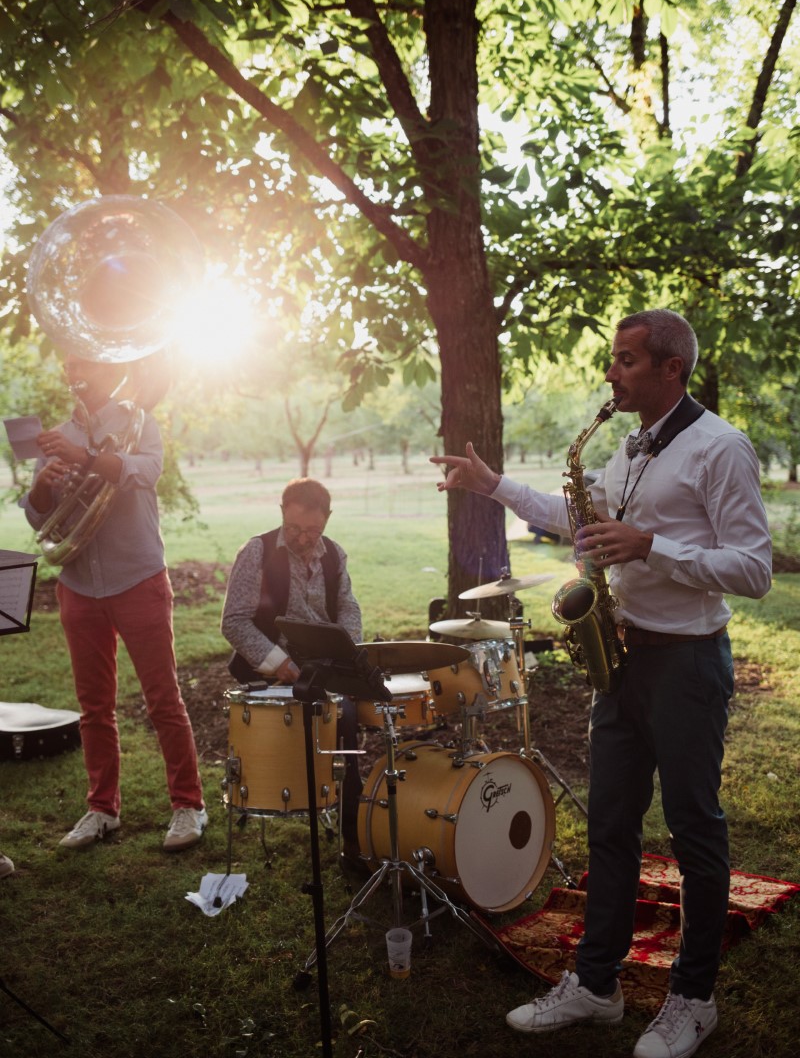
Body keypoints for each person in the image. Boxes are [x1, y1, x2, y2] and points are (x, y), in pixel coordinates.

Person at [430, 309, 772, 1058]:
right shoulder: (628, 447)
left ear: (670, 368)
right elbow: (576, 515)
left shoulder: (722, 447)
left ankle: (693, 997)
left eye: (624, 360)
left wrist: (652, 546)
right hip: (620, 661)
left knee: (694, 832)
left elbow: (754, 568)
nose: (610, 372)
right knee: (611, 827)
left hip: (687, 663)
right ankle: (597, 985)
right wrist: (494, 485)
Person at [20, 355, 207, 853]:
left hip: (137, 578)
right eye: (67, 363)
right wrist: (42, 485)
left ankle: (189, 805)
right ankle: (102, 809)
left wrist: (82, 458)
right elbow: (41, 521)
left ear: (108, 365)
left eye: (83, 361)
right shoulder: (57, 434)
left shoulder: (138, 421)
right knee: (93, 708)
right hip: (78, 583)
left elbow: (146, 472)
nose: (71, 369)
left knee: (163, 699)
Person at [220, 477, 363, 856]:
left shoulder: (334, 554)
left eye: (313, 530)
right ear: (282, 512)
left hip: (323, 668)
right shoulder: (257, 551)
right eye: (295, 528)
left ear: (327, 519)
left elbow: (348, 607)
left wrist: (347, 648)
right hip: (270, 675)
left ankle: (354, 838)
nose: (303, 538)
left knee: (348, 725)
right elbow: (233, 621)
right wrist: (279, 662)